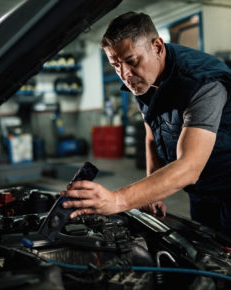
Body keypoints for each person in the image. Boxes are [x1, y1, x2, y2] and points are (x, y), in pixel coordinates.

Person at [60, 11, 231, 237]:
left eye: (131, 61)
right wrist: (153, 192)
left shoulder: (203, 83)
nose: (125, 74)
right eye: (115, 65)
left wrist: (118, 200)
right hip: (201, 193)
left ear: (158, 47)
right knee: (209, 254)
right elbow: (152, 137)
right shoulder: (143, 80)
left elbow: (189, 167)